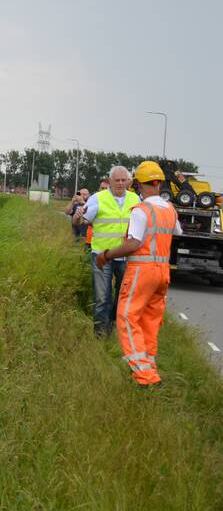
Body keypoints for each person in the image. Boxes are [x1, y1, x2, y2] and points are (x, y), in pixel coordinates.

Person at [96, 161, 181, 386]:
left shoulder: (141, 211)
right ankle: (149, 367)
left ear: (138, 185)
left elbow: (133, 244)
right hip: (163, 273)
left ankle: (145, 377)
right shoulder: (169, 209)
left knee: (125, 317)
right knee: (149, 320)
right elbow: (177, 231)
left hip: (142, 271)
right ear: (160, 182)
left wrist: (107, 255)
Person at [74, 166, 140, 337]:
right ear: (109, 181)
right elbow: (80, 221)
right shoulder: (98, 198)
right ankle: (100, 335)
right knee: (102, 297)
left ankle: (113, 326)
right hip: (101, 255)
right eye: (116, 180)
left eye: (123, 180)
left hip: (125, 256)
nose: (120, 183)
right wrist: (77, 215)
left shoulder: (135, 199)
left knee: (122, 295)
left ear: (128, 181)